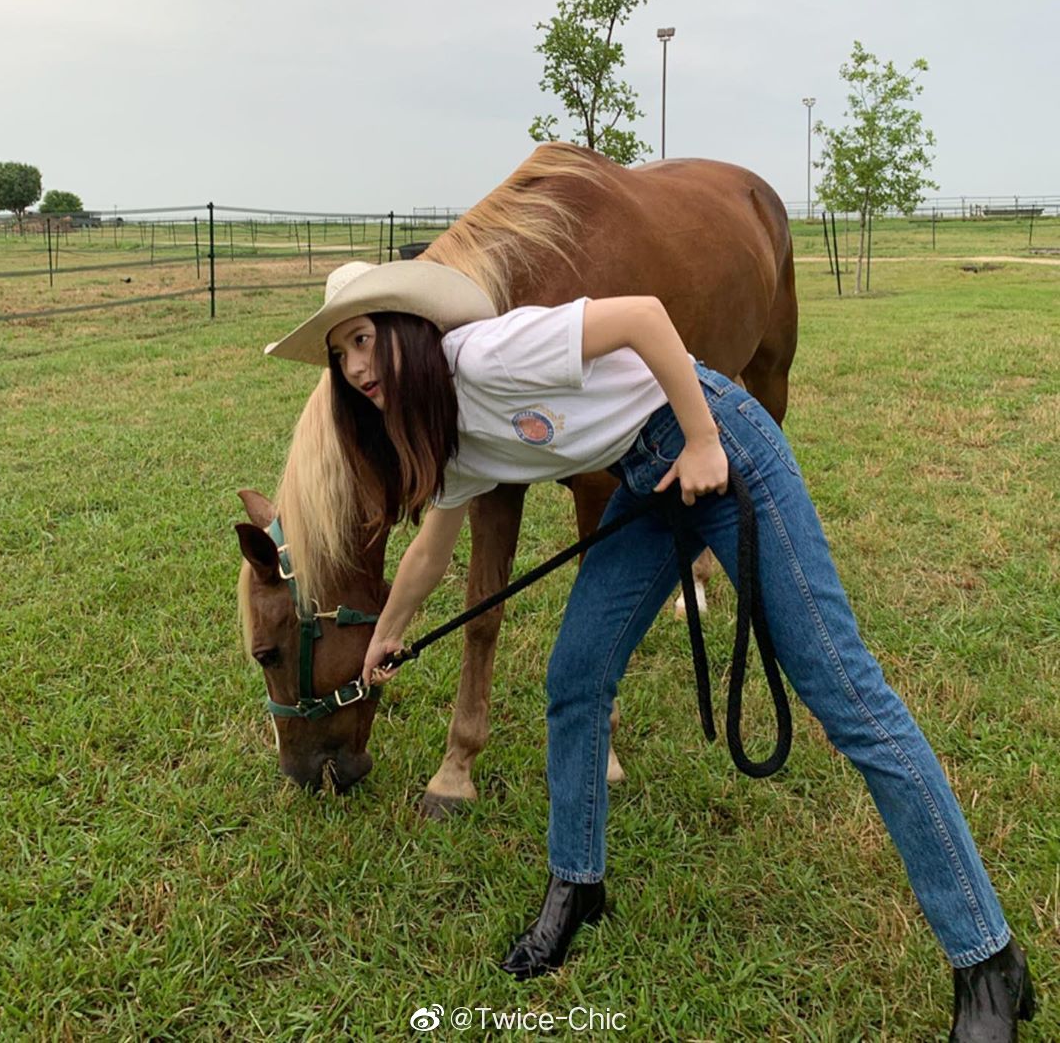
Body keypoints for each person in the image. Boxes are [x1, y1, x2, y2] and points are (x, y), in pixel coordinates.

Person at [266, 260, 1035, 1041]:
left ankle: (986, 958)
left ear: (406, 331)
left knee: (849, 698)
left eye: (364, 339)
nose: (355, 365)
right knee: (575, 678)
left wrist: (701, 439)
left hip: (722, 444)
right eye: (340, 352)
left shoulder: (489, 355)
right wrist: (388, 634)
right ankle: (577, 885)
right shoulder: (447, 436)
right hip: (647, 478)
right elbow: (433, 549)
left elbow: (642, 316)